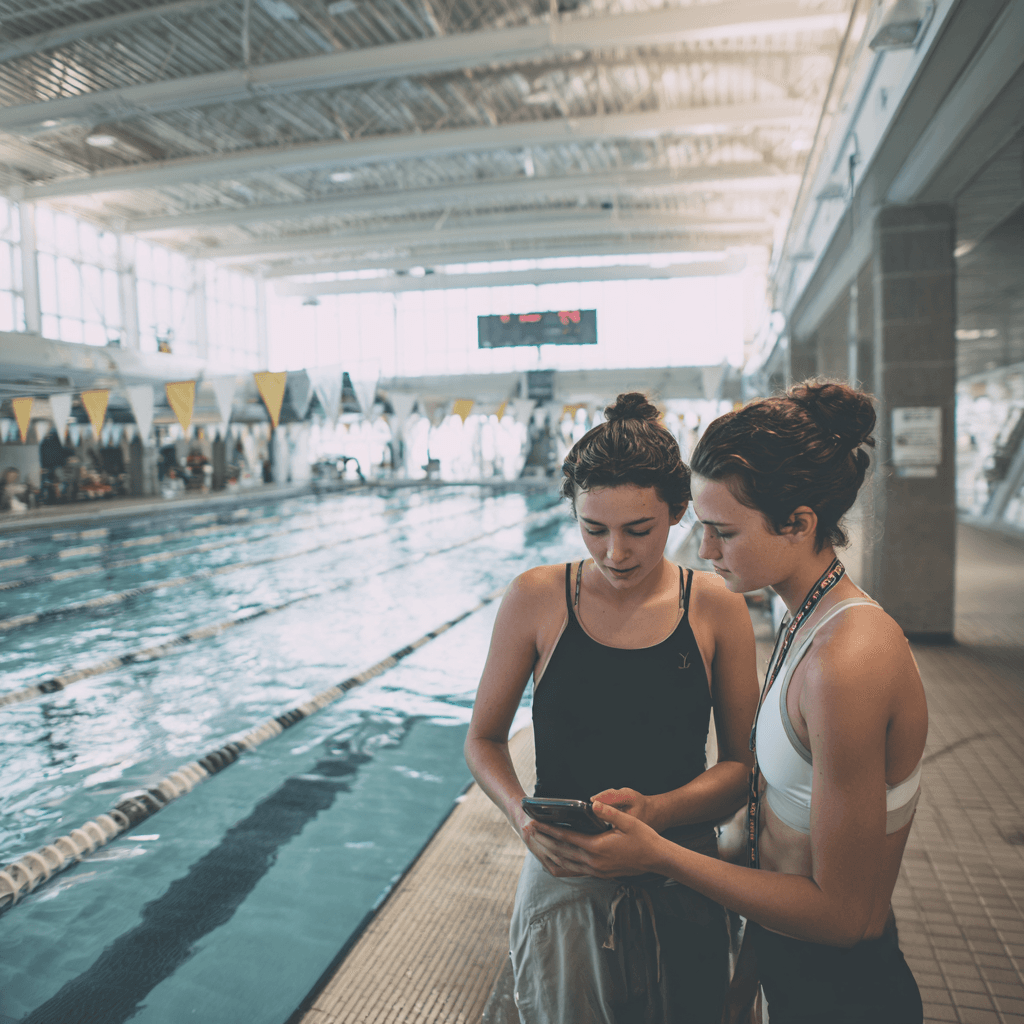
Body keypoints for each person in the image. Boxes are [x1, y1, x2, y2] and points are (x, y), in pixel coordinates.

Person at [534, 380, 928, 1024]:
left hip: (843, 993)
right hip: (788, 970)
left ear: (799, 523)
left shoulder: (847, 662)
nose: (705, 551)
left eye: (723, 532)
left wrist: (661, 853)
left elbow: (846, 916)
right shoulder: (807, 623)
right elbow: (776, 829)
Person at [465, 392, 760, 1024]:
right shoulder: (536, 598)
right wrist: (523, 818)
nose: (615, 553)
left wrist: (655, 814)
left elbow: (740, 767)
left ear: (679, 513)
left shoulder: (716, 608)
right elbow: (483, 739)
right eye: (593, 529)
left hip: (684, 873)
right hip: (565, 878)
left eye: (638, 530)